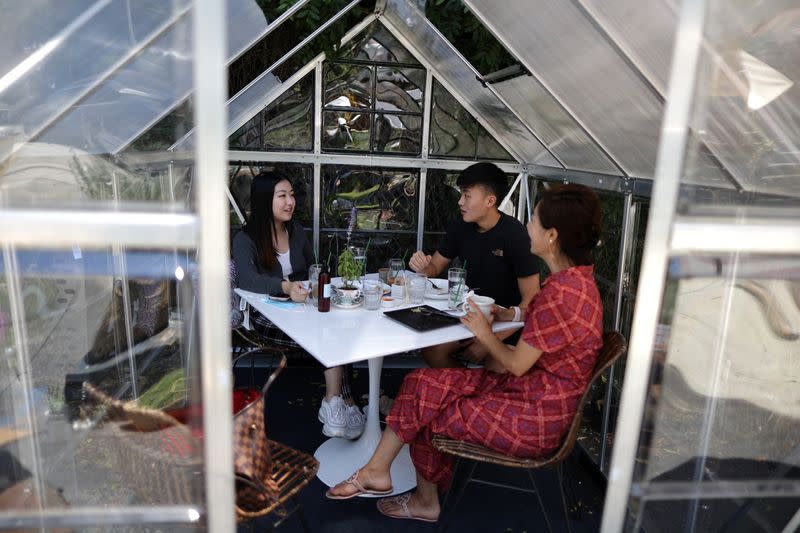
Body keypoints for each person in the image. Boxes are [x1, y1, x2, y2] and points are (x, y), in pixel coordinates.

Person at [325, 184, 604, 524]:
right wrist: (509, 314)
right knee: (421, 383)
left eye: (534, 220)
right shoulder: (576, 281)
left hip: (535, 414)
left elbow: (516, 365)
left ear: (552, 236)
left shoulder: (563, 293)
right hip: (532, 393)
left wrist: (484, 333)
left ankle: (424, 501)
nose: (528, 225)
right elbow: (548, 326)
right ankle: (377, 470)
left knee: (428, 414)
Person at [232, 171, 365, 439]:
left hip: (301, 310)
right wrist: (284, 287)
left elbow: (309, 269)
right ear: (263, 200)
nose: (290, 202)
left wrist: (310, 285)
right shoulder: (245, 238)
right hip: (264, 316)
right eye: (282, 196)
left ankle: (336, 402)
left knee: (338, 329)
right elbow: (247, 280)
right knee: (329, 338)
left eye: (291, 195)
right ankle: (341, 402)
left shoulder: (296, 231)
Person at [408, 161, 540, 367]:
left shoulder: (515, 235)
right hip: (467, 316)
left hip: (506, 325)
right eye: (461, 194)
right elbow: (434, 268)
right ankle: (463, 392)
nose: (460, 202)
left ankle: (475, 391)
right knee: (433, 350)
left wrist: (489, 342)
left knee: (496, 365)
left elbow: (532, 302)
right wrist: (422, 266)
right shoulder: (460, 226)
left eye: (467, 196)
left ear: (490, 200)